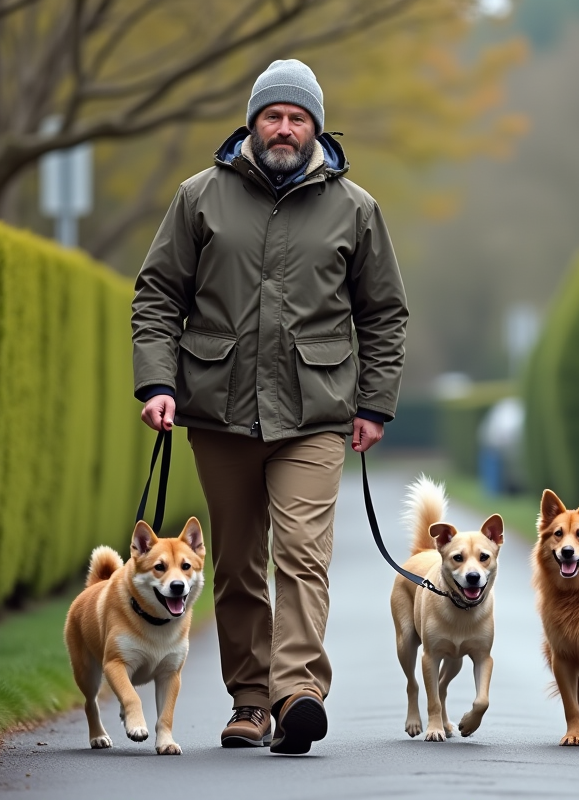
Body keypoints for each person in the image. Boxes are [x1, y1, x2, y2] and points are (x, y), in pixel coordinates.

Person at [131, 58, 408, 755]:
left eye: (297, 117)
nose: (284, 128)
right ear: (253, 122)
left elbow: (384, 313)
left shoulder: (356, 208)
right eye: (273, 116)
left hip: (315, 415)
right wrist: (158, 383)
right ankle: (251, 702)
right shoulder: (199, 197)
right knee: (236, 565)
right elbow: (158, 295)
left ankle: (297, 692)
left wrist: (374, 403)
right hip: (218, 411)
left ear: (317, 127)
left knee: (303, 555)